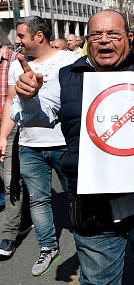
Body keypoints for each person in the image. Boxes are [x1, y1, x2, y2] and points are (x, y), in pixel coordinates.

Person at [12, 9, 134, 284]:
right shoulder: (66, 77)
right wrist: (29, 97)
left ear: (129, 38)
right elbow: (34, 115)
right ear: (88, 40)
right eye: (96, 35)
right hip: (91, 205)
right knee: (99, 281)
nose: (104, 40)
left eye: (113, 34)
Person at [1, 17, 77, 275]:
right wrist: (2, 137)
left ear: (39, 36)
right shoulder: (16, 64)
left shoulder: (68, 61)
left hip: (64, 144)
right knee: (38, 200)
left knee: (75, 197)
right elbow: (10, 102)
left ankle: (88, 245)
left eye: (21, 36)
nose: (16, 41)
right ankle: (48, 248)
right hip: (28, 147)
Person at [0, 43, 24, 260]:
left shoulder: (16, 59)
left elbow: (12, 98)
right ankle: (24, 217)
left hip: (10, 125)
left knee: (11, 181)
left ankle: (8, 234)